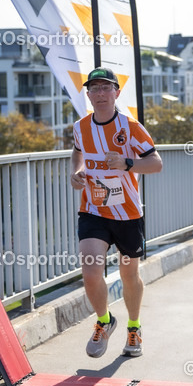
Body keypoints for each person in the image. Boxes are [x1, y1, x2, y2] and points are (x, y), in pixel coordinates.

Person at [70, 67, 163, 358]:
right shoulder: (80, 127)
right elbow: (77, 151)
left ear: (116, 93)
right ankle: (104, 321)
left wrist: (127, 164)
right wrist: (76, 172)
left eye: (105, 88)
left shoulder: (130, 126)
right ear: (88, 94)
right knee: (90, 270)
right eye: (94, 89)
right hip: (93, 209)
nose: (99, 94)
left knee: (129, 274)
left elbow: (156, 163)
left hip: (127, 213)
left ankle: (133, 328)